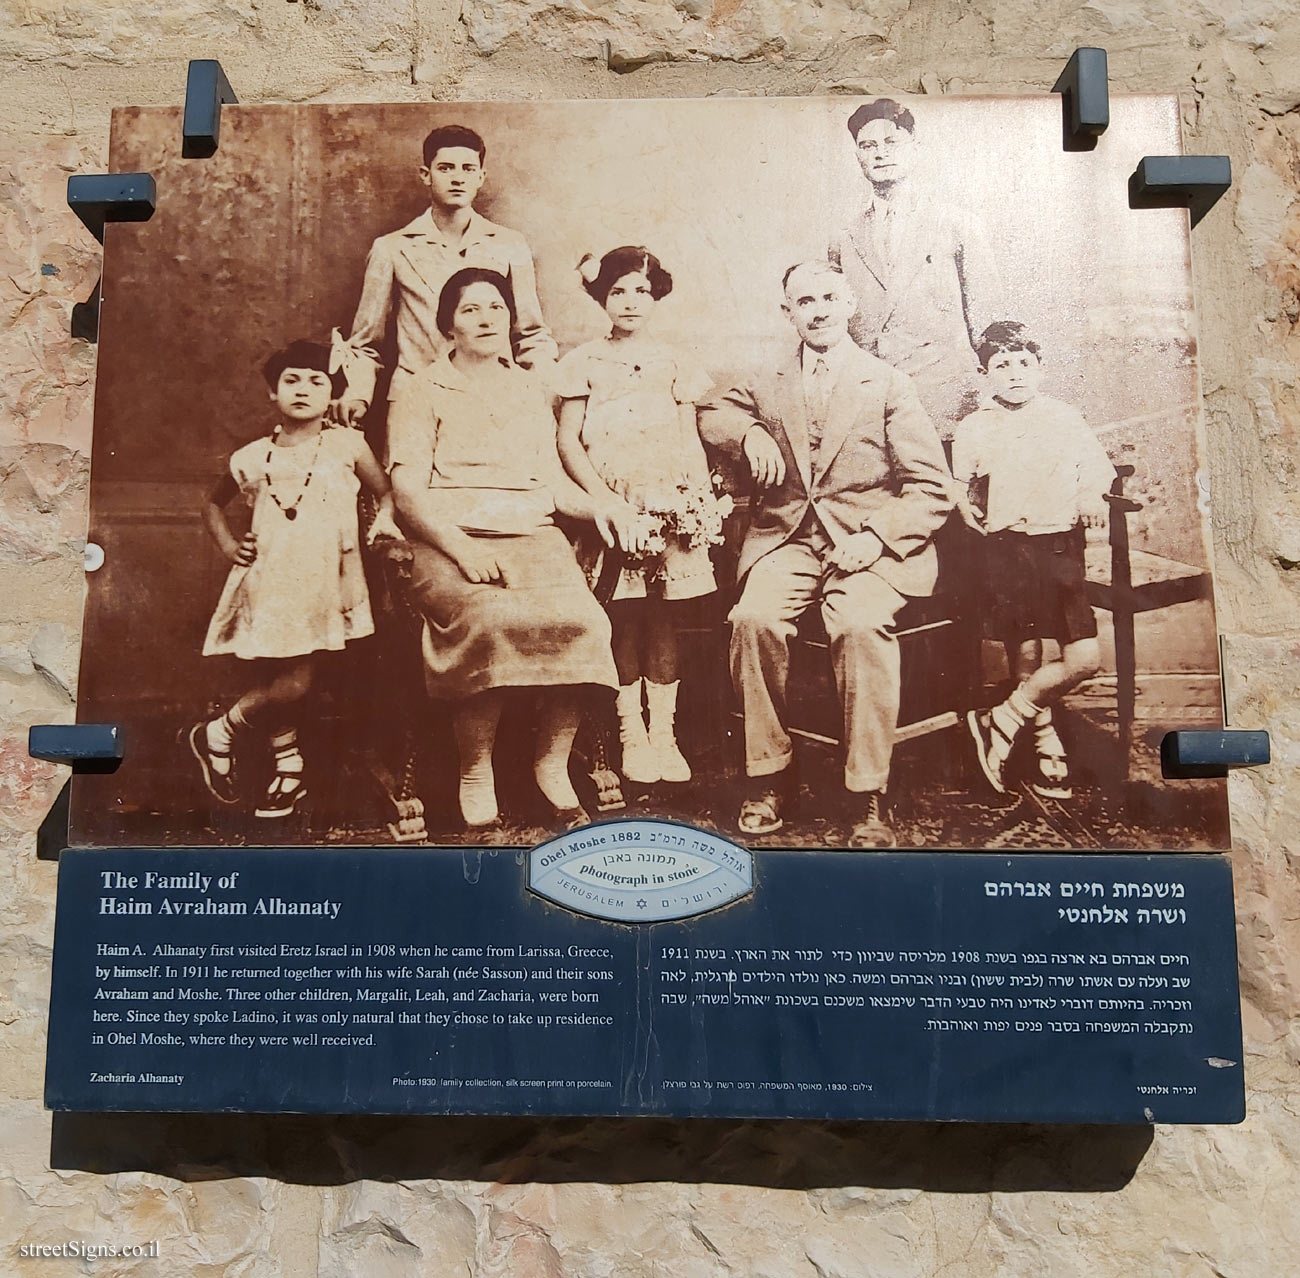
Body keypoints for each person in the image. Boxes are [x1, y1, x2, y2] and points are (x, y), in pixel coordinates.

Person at [699, 261, 953, 847]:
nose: (817, 310)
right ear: (787, 312)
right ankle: (769, 775)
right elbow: (712, 411)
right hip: (788, 538)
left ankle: (867, 792)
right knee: (751, 619)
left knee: (861, 626)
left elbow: (931, 487)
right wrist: (749, 433)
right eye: (803, 301)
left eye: (828, 298)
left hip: (869, 545)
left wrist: (878, 538)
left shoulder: (887, 383)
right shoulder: (768, 379)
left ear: (851, 303)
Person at [387, 267, 627, 831]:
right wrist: (460, 549)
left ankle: (551, 762)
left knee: (583, 621)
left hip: (531, 535)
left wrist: (603, 507)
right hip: (446, 538)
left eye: (495, 307)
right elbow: (407, 492)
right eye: (471, 310)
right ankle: (476, 769)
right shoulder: (422, 389)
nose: (486, 318)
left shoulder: (527, 387)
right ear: (449, 324)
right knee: (489, 619)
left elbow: (550, 482)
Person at [190, 340, 399, 818]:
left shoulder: (347, 444)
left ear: (332, 396)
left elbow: (386, 492)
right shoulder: (253, 456)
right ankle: (230, 737)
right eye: (291, 380)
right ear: (272, 392)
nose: (303, 389)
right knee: (284, 674)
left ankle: (280, 763)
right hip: (270, 579)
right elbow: (211, 504)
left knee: (293, 675)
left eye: (316, 381)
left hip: (327, 578)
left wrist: (384, 520)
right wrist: (228, 546)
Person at [555, 246, 717, 785]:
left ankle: (665, 735)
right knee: (623, 618)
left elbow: (689, 438)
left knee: (663, 618)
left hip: (667, 501)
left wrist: (692, 498)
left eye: (641, 291)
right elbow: (569, 440)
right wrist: (604, 499)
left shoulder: (676, 360)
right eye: (618, 291)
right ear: (602, 298)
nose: (630, 301)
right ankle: (632, 736)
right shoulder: (583, 362)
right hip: (614, 506)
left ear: (656, 297)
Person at [953, 321, 1115, 798]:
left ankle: (1002, 719)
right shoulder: (975, 426)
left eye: (1025, 363)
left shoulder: (1064, 417)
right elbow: (957, 487)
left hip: (1060, 547)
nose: (1015, 374)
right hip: (1007, 548)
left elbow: (1096, 469)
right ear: (986, 374)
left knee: (1083, 658)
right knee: (1023, 650)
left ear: (1041, 369)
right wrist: (966, 506)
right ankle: (1043, 737)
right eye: (1001, 365)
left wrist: (1090, 495)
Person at [337, 124, 557, 423]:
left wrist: (543, 385)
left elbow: (531, 334)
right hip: (415, 401)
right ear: (425, 174)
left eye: (468, 168)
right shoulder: (392, 248)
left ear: (481, 177)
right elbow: (365, 344)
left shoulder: (509, 245)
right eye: (445, 167)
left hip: (495, 399)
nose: (457, 177)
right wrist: (358, 393)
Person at [829, 98, 1001, 436]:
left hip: (950, 400)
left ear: (915, 148)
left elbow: (987, 321)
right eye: (868, 145)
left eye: (891, 142)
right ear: (857, 156)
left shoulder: (956, 224)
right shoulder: (844, 238)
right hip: (873, 408)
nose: (880, 153)